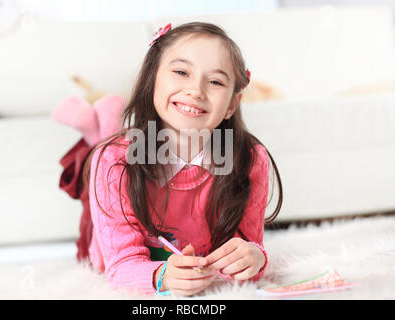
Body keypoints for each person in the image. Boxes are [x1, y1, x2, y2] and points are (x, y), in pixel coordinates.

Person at [82, 22, 283, 296]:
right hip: (111, 236)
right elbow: (121, 267)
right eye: (180, 72)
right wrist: (161, 275)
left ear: (232, 105)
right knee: (100, 170)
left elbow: (248, 246)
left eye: (215, 81)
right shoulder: (114, 162)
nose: (196, 90)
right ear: (153, 78)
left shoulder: (248, 158)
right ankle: (100, 124)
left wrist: (254, 258)